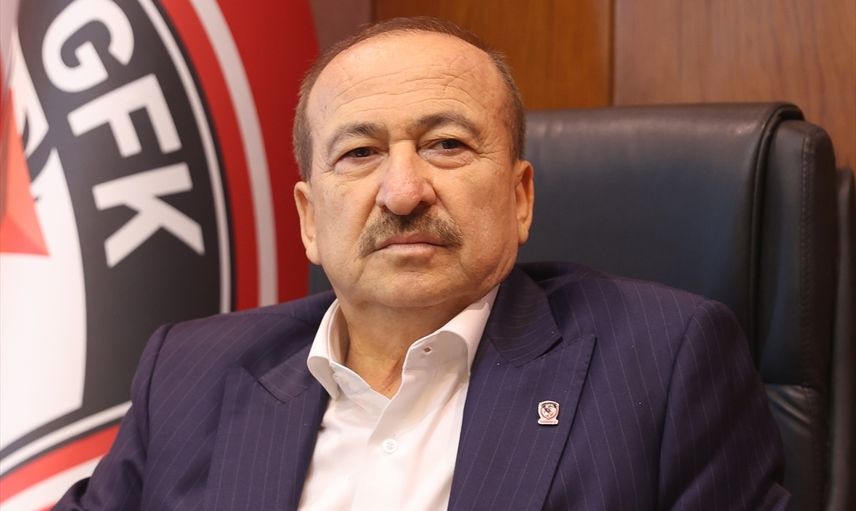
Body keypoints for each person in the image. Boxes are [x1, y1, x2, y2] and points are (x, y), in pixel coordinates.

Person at [55, 17, 789, 511]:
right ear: (309, 220)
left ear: (520, 197)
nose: (403, 191)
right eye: (360, 152)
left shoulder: (661, 364)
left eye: (446, 144)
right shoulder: (188, 375)